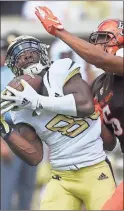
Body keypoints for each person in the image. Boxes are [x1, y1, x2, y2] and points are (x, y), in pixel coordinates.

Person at [0, 35, 116, 210]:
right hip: (62, 177)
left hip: (95, 168)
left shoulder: (61, 70)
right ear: (14, 68)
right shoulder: (20, 110)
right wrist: (6, 131)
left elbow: (85, 106)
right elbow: (35, 156)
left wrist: (37, 101)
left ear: (44, 54)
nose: (27, 57)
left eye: (31, 51)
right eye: (20, 56)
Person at [32, 6, 124, 210]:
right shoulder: (99, 85)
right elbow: (108, 143)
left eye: (105, 39)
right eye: (96, 40)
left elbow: (100, 59)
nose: (98, 45)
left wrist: (59, 31)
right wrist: (93, 115)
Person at [1, 33, 37, 210]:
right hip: (9, 131)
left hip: (31, 131)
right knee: (6, 188)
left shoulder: (28, 72)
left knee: (27, 186)